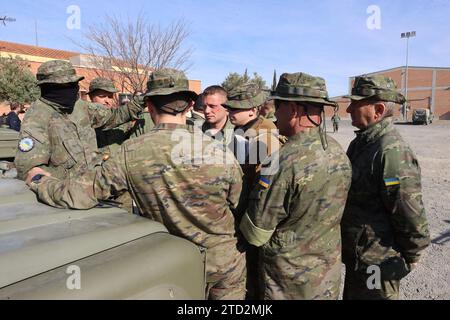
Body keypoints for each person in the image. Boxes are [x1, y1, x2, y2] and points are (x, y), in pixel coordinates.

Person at [25, 68, 247, 300]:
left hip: (173, 262)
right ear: (190, 106)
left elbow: (76, 195)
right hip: (225, 263)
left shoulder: (129, 153)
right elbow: (237, 204)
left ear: (149, 107)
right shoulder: (219, 151)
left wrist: (39, 179)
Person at [239, 72, 352, 300]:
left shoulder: (282, 161)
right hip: (326, 276)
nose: (273, 114)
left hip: (289, 283)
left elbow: (256, 232)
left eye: (277, 106)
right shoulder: (337, 150)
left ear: (292, 110)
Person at [341, 75, 430, 300]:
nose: (349, 109)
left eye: (356, 103)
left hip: (378, 261)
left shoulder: (391, 151)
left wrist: (412, 252)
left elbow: (407, 210)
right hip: (359, 255)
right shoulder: (361, 143)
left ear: (378, 110)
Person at [14, 60, 145, 181]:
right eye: (65, 85)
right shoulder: (36, 118)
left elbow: (115, 115)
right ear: (49, 87)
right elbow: (31, 171)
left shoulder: (80, 106)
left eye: (74, 84)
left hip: (98, 183)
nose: (72, 89)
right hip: (69, 194)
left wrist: (145, 99)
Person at [224, 83, 282, 300]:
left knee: (259, 278)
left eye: (236, 108)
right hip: (242, 208)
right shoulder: (243, 130)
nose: (231, 112)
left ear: (254, 109)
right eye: (230, 108)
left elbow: (267, 186)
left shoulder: (265, 134)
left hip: (255, 215)